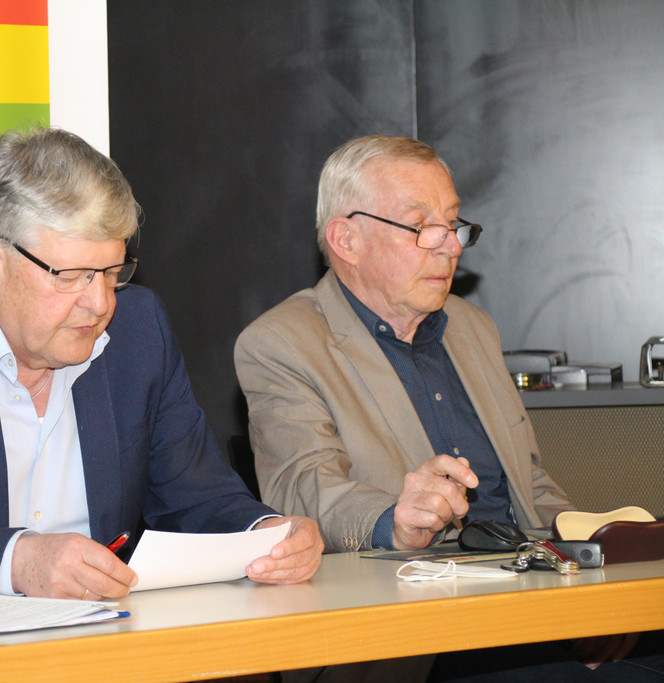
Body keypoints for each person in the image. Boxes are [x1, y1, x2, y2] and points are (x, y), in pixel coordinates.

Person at [0, 126, 322, 603]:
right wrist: (16, 562)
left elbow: (197, 496)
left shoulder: (138, 331)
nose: (100, 303)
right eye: (73, 275)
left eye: (112, 272)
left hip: (103, 638)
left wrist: (269, 535)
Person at [235, 135, 662, 680]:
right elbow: (305, 488)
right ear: (347, 239)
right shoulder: (282, 343)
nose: (450, 247)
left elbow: (529, 486)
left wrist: (593, 585)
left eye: (453, 224)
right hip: (413, 628)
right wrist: (396, 519)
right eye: (420, 226)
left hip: (532, 603)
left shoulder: (472, 327)